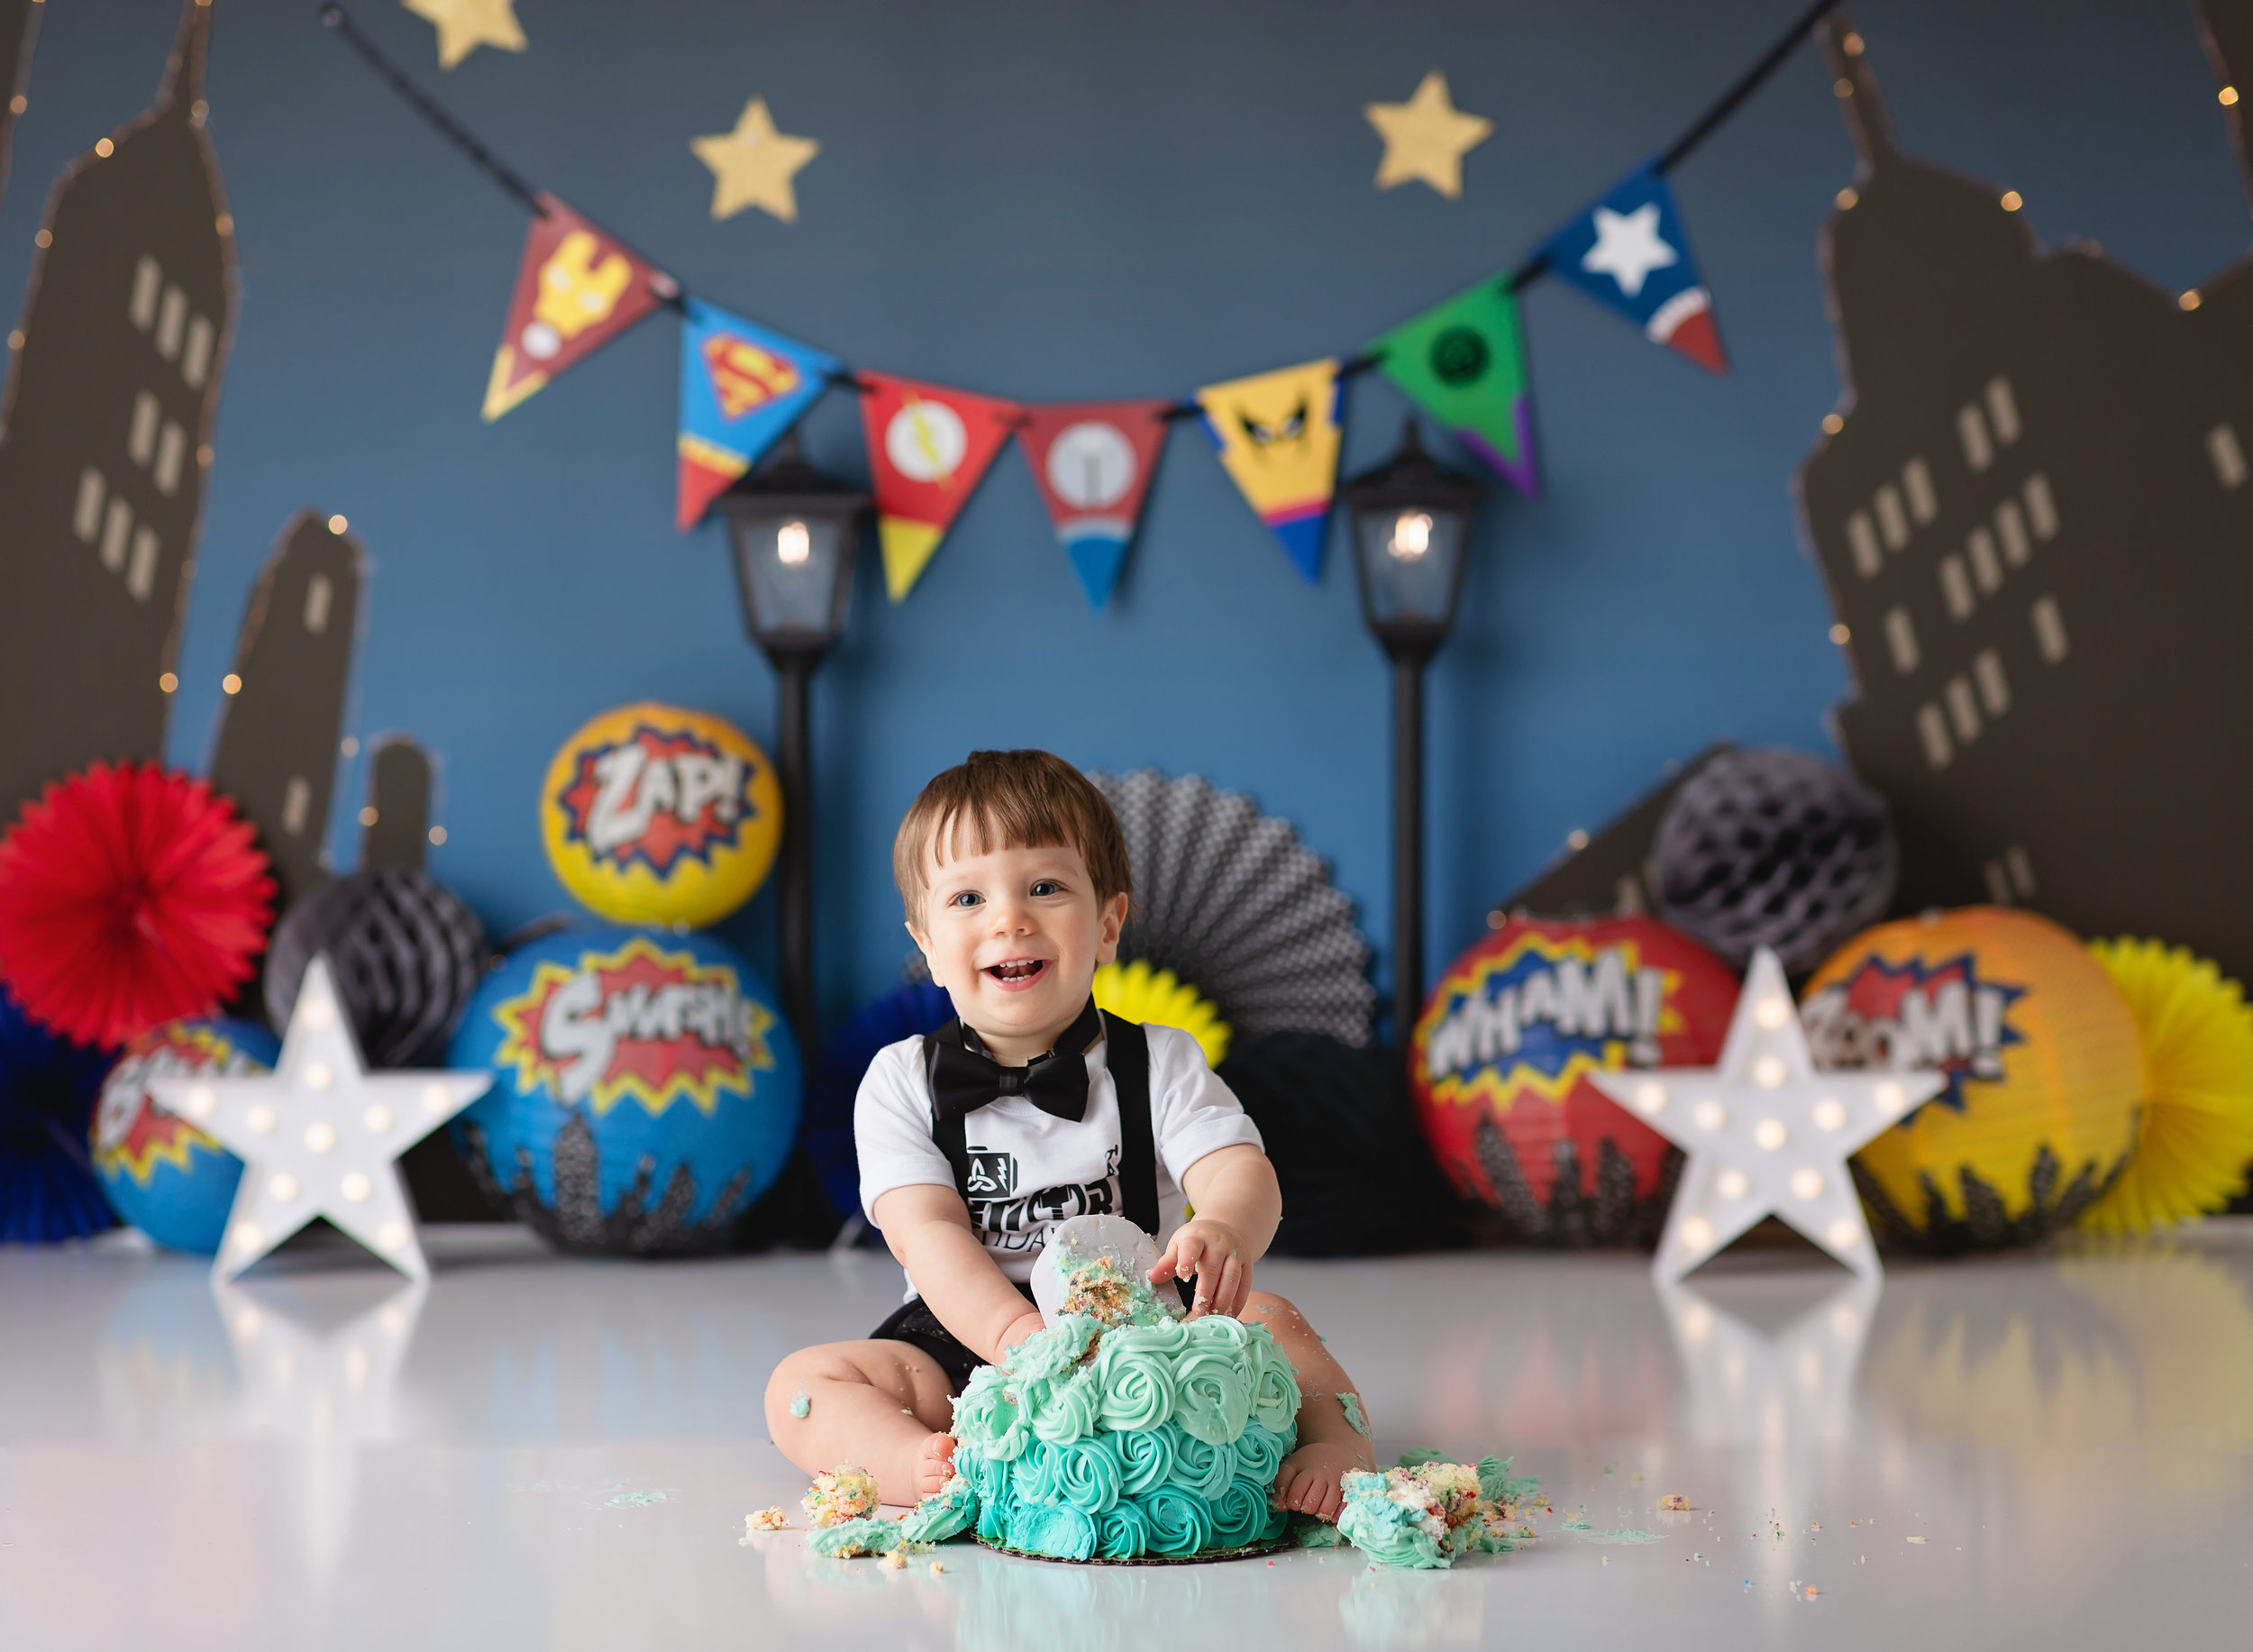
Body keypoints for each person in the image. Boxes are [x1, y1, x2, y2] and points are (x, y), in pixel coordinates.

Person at [764, 749, 1375, 1516]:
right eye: (966, 898)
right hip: (969, 1347)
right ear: (924, 945)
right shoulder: (900, 1080)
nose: (1008, 917)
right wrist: (1020, 1339)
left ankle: (1337, 1439)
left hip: (1147, 1332)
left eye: (1044, 887)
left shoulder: (1159, 1058)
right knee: (801, 1386)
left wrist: (1222, 1224)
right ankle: (916, 1460)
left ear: (1108, 924)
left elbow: (1238, 1167)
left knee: (1273, 1319)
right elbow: (928, 1235)